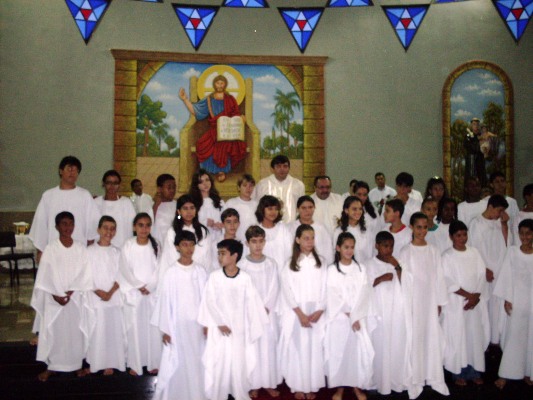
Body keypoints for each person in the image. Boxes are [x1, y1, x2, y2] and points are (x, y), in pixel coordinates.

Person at [198, 239, 268, 400]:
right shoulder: (214, 277)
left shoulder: (245, 278)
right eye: (218, 254)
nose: (219, 257)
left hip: (239, 329)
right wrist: (220, 323)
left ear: (235, 255)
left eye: (223, 253)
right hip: (219, 329)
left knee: (238, 362)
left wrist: (251, 325)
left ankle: (239, 392)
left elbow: (251, 303)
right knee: (219, 362)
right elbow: (209, 301)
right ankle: (217, 395)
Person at [31, 212, 93, 382]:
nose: (68, 228)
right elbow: (45, 274)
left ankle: (76, 364)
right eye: (64, 224)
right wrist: (57, 294)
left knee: (75, 331)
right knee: (55, 332)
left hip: (75, 297)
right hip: (54, 299)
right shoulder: (51, 248)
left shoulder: (80, 248)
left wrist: (71, 292)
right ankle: (52, 366)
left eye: (71, 224)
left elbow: (84, 272)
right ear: (57, 226)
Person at [151, 231, 207, 400]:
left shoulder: (200, 270)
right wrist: (166, 329)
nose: (189, 248)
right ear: (177, 247)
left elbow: (206, 300)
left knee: (197, 360)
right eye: (184, 244)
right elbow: (165, 302)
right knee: (178, 360)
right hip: (177, 326)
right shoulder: (171, 272)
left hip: (196, 325)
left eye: (191, 244)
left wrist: (206, 324)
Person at [399, 212, 449, 398]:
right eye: (418, 227)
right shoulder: (406, 251)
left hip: (429, 301)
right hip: (413, 301)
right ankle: (416, 378)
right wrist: (407, 303)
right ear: (412, 227)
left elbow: (439, 276)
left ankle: (434, 376)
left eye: (425, 227)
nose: (422, 231)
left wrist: (439, 301)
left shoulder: (433, 250)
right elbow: (404, 279)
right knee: (416, 338)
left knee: (432, 337)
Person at [279, 224, 327, 400]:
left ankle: (312, 384)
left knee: (314, 349)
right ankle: (298, 385)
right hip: (297, 313)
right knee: (298, 349)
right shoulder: (290, 264)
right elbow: (287, 290)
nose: (310, 241)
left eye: (312, 238)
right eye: (306, 238)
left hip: (315, 312)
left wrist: (320, 309)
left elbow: (325, 287)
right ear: (298, 240)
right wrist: (300, 314)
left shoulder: (320, 262)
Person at [325, 232, 373, 400]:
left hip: (358, 319)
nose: (349, 250)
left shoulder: (360, 269)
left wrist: (357, 316)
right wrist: (349, 314)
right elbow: (333, 295)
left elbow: (365, 294)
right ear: (338, 248)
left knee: (356, 353)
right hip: (340, 319)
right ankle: (339, 388)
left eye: (352, 247)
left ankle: (356, 386)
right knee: (339, 352)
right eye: (346, 247)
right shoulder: (332, 270)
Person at [366, 231, 415, 397]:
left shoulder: (398, 263)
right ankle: (377, 380)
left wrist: (396, 267)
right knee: (379, 345)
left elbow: (407, 285)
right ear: (377, 246)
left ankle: (395, 379)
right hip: (378, 312)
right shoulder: (368, 264)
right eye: (385, 246)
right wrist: (380, 278)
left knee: (396, 344)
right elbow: (363, 287)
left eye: (391, 246)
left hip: (396, 312)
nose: (389, 249)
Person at [440, 220, 489, 386]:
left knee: (473, 337)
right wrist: (467, 295)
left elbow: (481, 274)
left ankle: (474, 371)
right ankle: (458, 373)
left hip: (473, 303)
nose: (462, 238)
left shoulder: (474, 252)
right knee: (458, 337)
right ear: (451, 237)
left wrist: (475, 297)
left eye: (464, 234)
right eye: (458, 235)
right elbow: (447, 279)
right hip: (457, 303)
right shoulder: (447, 256)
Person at [239, 225, 282, 398]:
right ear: (247, 243)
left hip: (268, 313)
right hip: (250, 315)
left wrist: (265, 307)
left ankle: (269, 383)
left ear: (265, 241)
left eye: (260, 241)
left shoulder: (271, 263)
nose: (258, 245)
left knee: (269, 347)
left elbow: (274, 287)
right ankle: (254, 384)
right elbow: (243, 290)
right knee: (253, 348)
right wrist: (254, 309)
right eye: (254, 242)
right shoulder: (242, 265)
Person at [29, 156, 100, 258]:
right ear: (61, 171)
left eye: (76, 170)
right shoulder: (48, 196)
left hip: (78, 249)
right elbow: (41, 224)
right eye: (70, 169)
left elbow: (93, 223)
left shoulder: (84, 195)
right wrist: (40, 251)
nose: (72, 172)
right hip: (54, 249)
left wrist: (90, 243)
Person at [118, 213, 161, 376]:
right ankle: (135, 364)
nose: (144, 229)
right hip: (134, 293)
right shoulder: (128, 245)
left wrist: (149, 286)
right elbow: (124, 268)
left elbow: (159, 268)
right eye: (141, 225)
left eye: (147, 225)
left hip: (151, 293)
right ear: (134, 227)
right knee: (135, 328)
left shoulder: (155, 244)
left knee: (152, 329)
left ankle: (153, 363)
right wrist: (138, 285)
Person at [179, 75, 247, 178]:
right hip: (214, 130)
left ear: (225, 84)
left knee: (224, 144)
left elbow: (235, 114)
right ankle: (207, 171)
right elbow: (196, 111)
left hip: (228, 132)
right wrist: (185, 99)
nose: (220, 85)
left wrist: (241, 118)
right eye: (217, 83)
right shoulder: (209, 100)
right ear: (214, 84)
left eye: (222, 83)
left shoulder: (230, 99)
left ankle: (221, 171)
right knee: (203, 145)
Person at [493, 219, 533, 389]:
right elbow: (506, 275)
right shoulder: (513, 251)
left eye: (528, 233)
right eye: (522, 233)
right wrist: (507, 298)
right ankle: (506, 374)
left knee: (531, 337)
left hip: (531, 301)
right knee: (514, 337)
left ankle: (528, 371)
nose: (524, 237)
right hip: (517, 300)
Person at [86, 216, 126, 376]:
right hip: (95, 297)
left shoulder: (117, 252)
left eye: (112, 228)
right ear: (98, 230)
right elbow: (86, 276)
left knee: (113, 330)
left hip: (114, 296)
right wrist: (98, 291)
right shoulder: (89, 252)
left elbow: (122, 274)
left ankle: (112, 362)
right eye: (105, 228)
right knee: (97, 330)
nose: (108, 232)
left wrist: (110, 292)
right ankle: (96, 362)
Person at [468, 194, 509, 345]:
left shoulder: (499, 222)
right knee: (486, 306)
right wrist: (484, 268)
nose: (500, 214)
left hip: (499, 271)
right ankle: (486, 342)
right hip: (485, 271)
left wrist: (504, 225)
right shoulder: (476, 223)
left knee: (498, 307)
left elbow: (507, 244)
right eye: (499, 210)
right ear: (490, 207)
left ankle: (497, 341)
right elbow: (474, 248)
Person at [160, 195, 212, 278]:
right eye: (185, 208)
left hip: (199, 275)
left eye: (192, 208)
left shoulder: (203, 232)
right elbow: (169, 257)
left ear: (196, 210)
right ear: (179, 212)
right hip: (178, 275)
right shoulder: (172, 232)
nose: (189, 212)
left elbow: (207, 258)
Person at [254, 155, 305, 223]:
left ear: (289, 168)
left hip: (292, 225)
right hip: (270, 226)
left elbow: (302, 207)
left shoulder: (298, 185)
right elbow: (257, 206)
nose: (282, 169)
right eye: (278, 166)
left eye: (285, 166)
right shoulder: (262, 184)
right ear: (272, 168)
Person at [94, 170, 136, 247]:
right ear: (103, 184)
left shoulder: (126, 203)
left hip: (122, 247)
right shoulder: (96, 203)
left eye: (115, 183)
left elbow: (134, 226)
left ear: (119, 185)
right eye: (109, 182)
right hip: (101, 248)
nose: (112, 186)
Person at [288, 195, 334, 264]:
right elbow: (288, 249)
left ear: (314, 208)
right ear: (297, 209)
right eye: (303, 208)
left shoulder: (321, 228)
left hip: (318, 265)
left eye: (310, 207)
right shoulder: (290, 228)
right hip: (297, 265)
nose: (307, 211)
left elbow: (328, 250)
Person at [255, 195, 292, 272]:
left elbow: (290, 254)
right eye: (270, 209)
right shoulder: (255, 231)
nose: (273, 212)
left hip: (282, 273)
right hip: (262, 273)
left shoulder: (283, 230)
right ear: (262, 210)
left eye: (276, 209)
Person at [334, 196, 375, 263]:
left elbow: (372, 250)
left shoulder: (366, 230)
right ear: (346, 210)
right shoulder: (339, 231)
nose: (358, 212)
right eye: (354, 209)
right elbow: (336, 253)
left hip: (366, 268)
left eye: (360, 209)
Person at [223, 174, 259, 242]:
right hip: (235, 242)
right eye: (245, 185)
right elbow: (224, 223)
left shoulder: (257, 205)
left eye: (251, 186)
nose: (248, 189)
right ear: (239, 187)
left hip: (251, 243)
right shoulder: (231, 203)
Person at [190, 169, 224, 233]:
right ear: (196, 185)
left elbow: (225, 219)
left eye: (207, 180)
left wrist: (220, 225)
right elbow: (181, 218)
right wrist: (204, 222)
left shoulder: (220, 202)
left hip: (218, 237)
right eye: (201, 182)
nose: (205, 184)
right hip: (200, 237)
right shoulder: (192, 203)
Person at [151, 174, 177, 245]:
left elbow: (179, 218)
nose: (172, 190)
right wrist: (156, 205)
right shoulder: (151, 205)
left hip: (173, 242)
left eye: (174, 187)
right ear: (159, 189)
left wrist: (178, 215)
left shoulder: (177, 205)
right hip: (157, 243)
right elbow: (150, 221)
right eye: (169, 188)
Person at [464, 117, 486, 187]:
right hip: (471, 160)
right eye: (474, 124)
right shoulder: (468, 136)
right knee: (471, 178)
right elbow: (468, 146)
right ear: (471, 126)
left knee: (481, 178)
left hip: (480, 160)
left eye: (477, 124)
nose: (476, 126)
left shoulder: (481, 136)